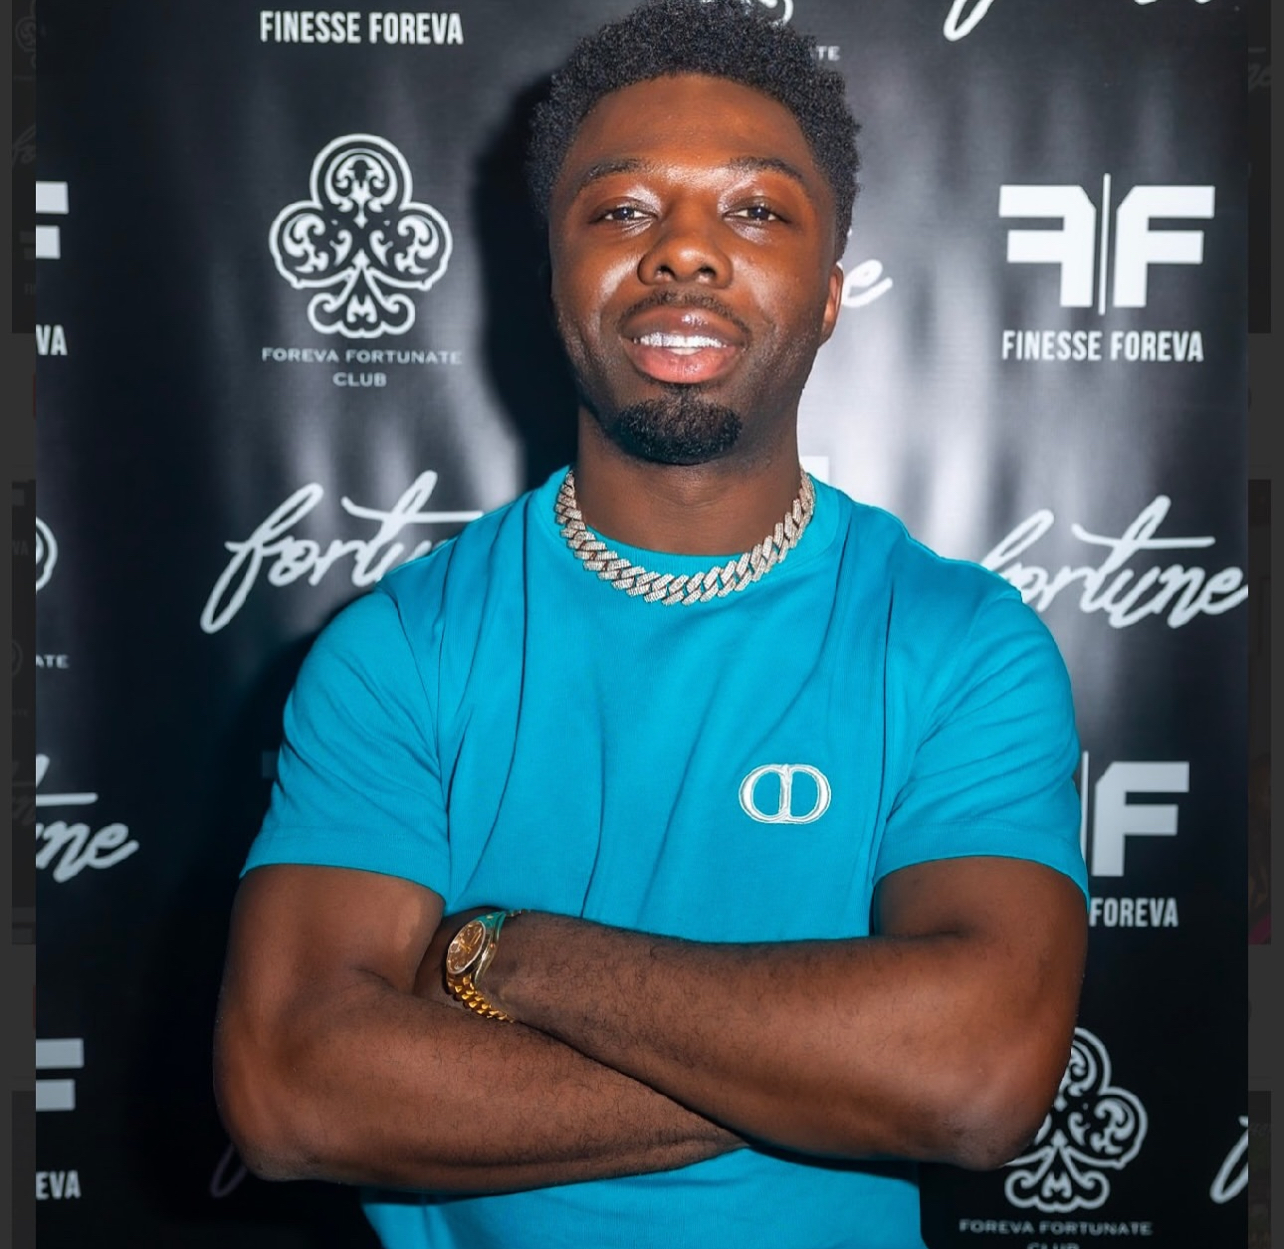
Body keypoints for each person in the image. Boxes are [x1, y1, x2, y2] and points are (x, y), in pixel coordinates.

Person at [214, 3, 1089, 1246]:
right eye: (622, 210)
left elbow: (976, 1074)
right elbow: (292, 1090)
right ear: (553, 278)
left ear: (831, 294)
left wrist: (503, 954)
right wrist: (832, 1067)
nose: (684, 252)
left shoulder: (960, 645)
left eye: (756, 211)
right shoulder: (401, 650)